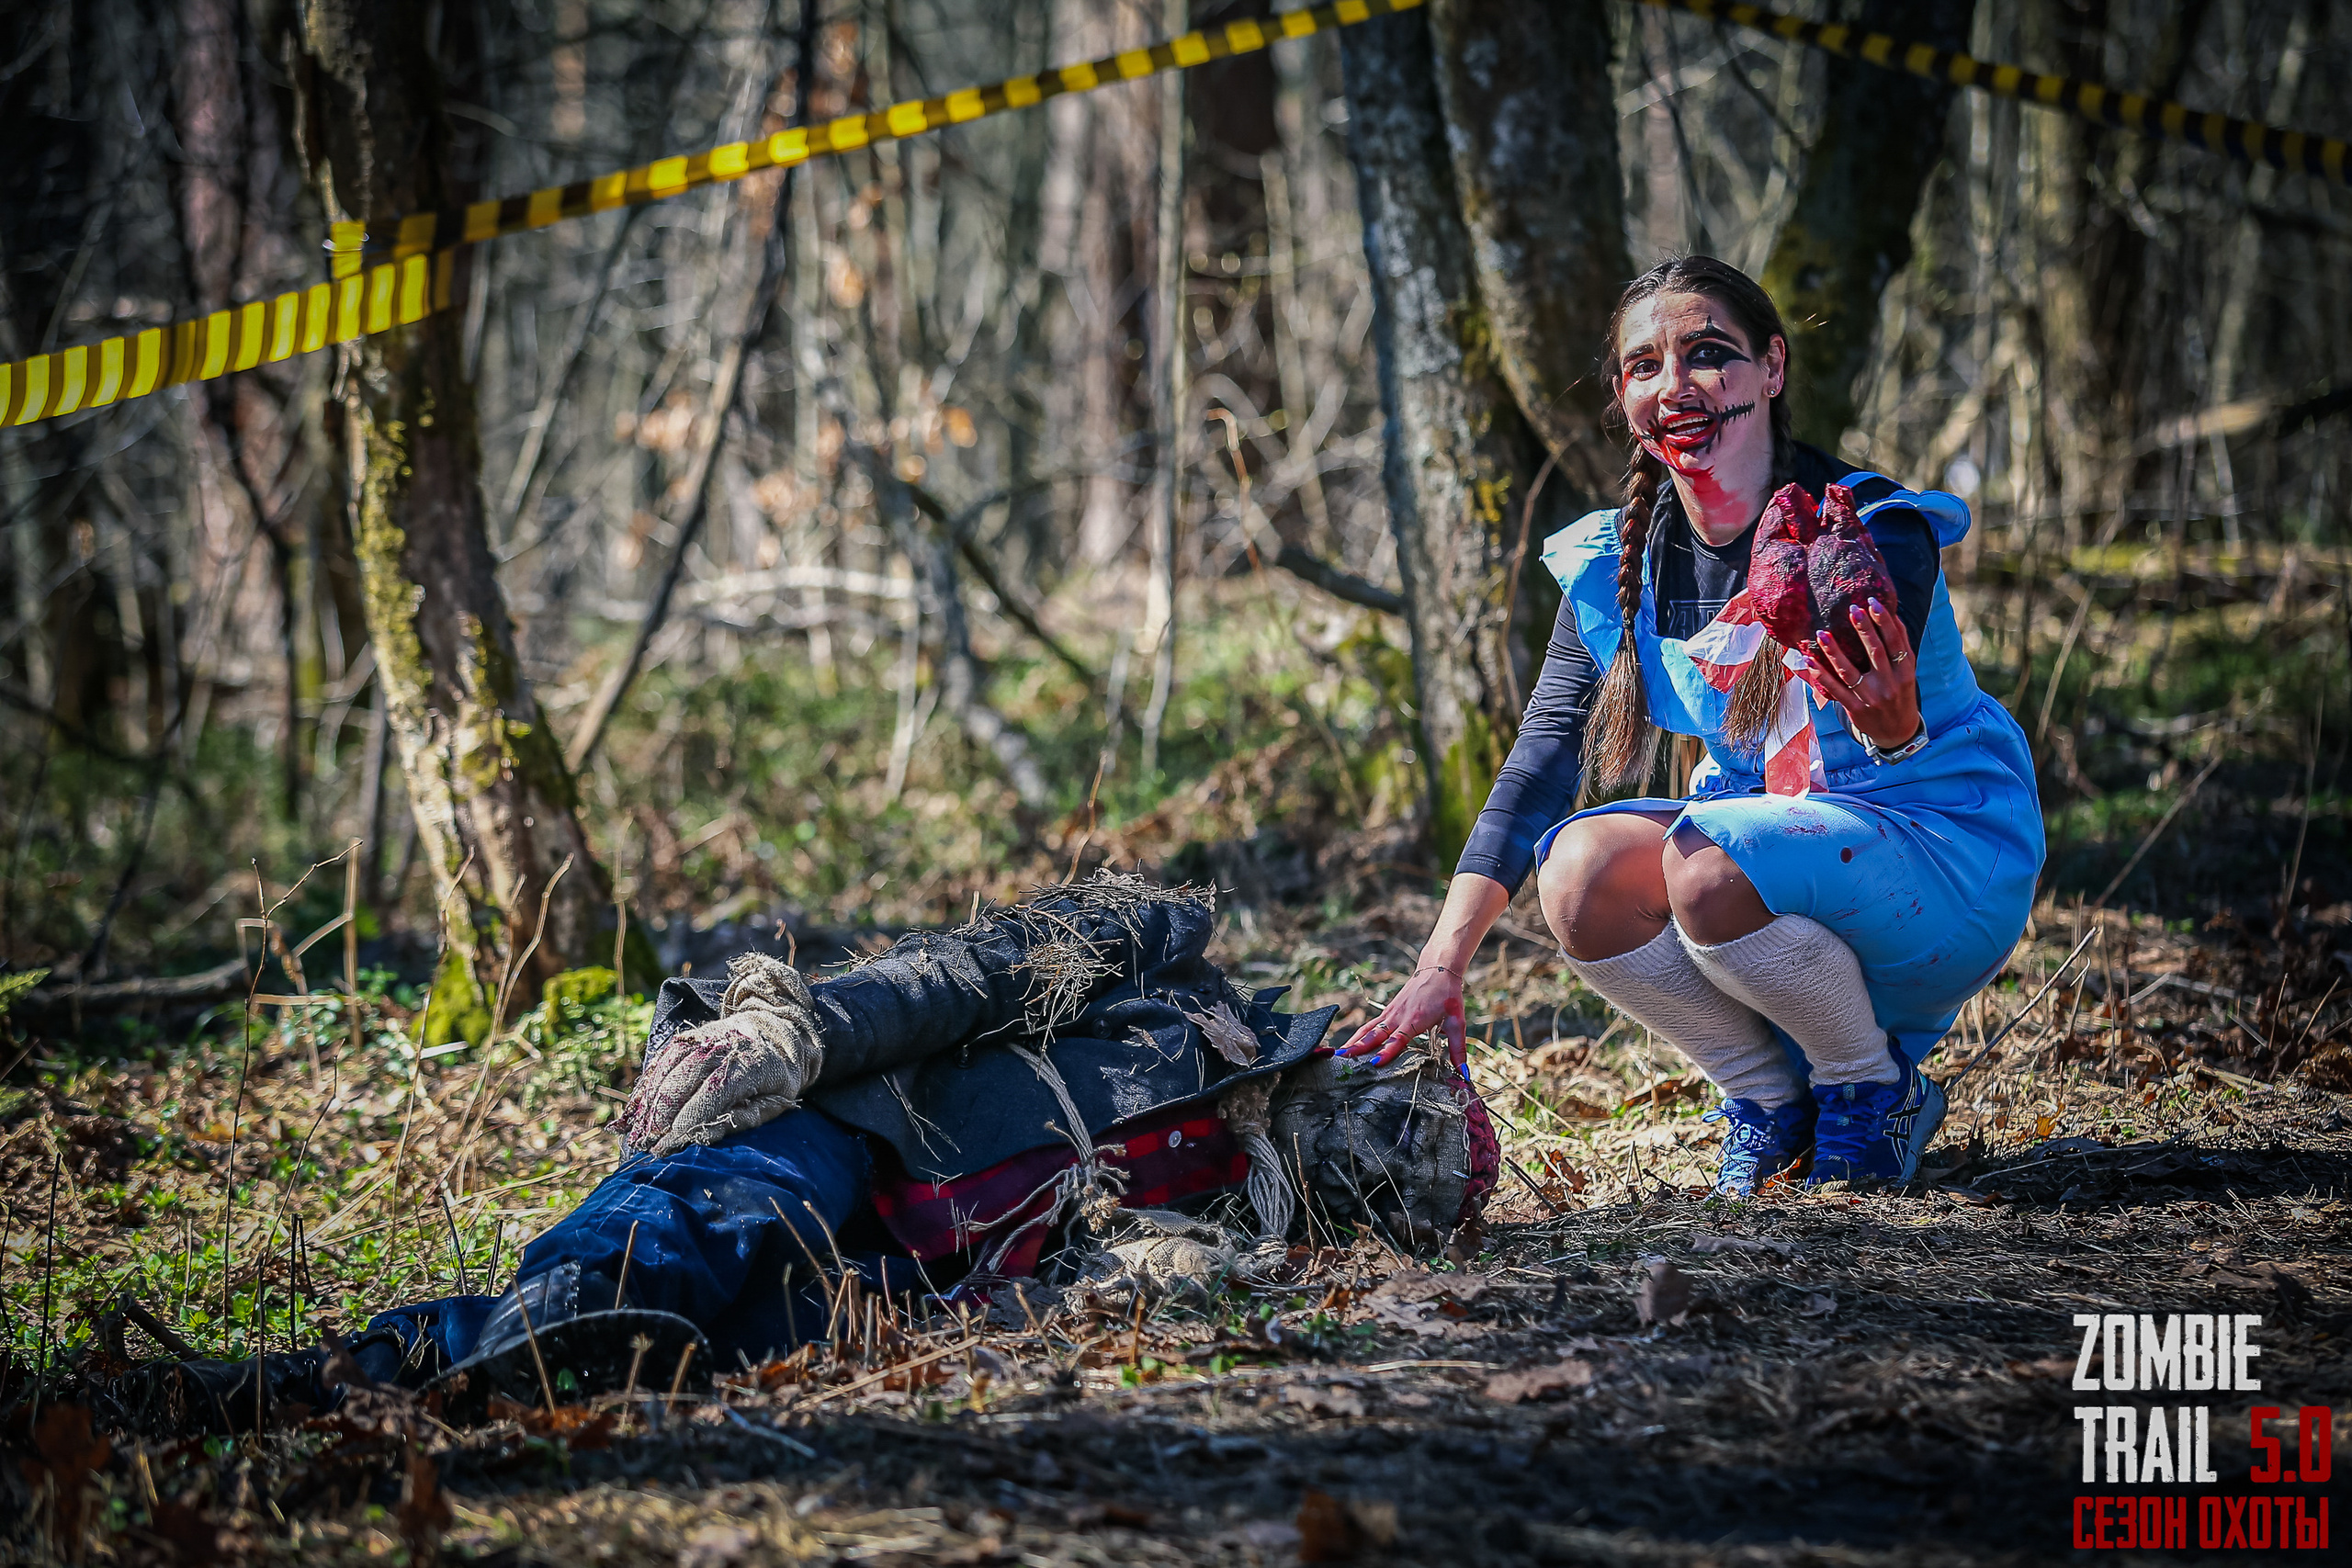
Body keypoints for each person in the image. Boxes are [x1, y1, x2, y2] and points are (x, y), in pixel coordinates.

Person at [115, 877, 1496, 1434]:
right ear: (1359, 1053)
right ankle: (471, 1366)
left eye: (1414, 1183)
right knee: (649, 1268)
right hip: (826, 1123)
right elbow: (978, 968)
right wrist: (798, 1026)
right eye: (1410, 1121)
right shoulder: (1176, 966)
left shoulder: (1248, 1230)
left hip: (887, 1280)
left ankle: (290, 1390)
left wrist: (1105, 1284)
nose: (1395, 1157)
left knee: (669, 1347)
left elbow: (1041, 1285)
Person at [1340, 255, 2042, 1196]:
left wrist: (1895, 729)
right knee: (1577, 873)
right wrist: (1440, 966)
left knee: (1705, 859)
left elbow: (1887, 729)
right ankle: (1770, 1103)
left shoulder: (1865, 526)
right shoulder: (1612, 564)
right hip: (1765, 868)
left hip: (1940, 855)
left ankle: (1871, 1090)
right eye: (1643, 367)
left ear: (1772, 370)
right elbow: (1541, 763)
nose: (1675, 386)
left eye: (1710, 355)